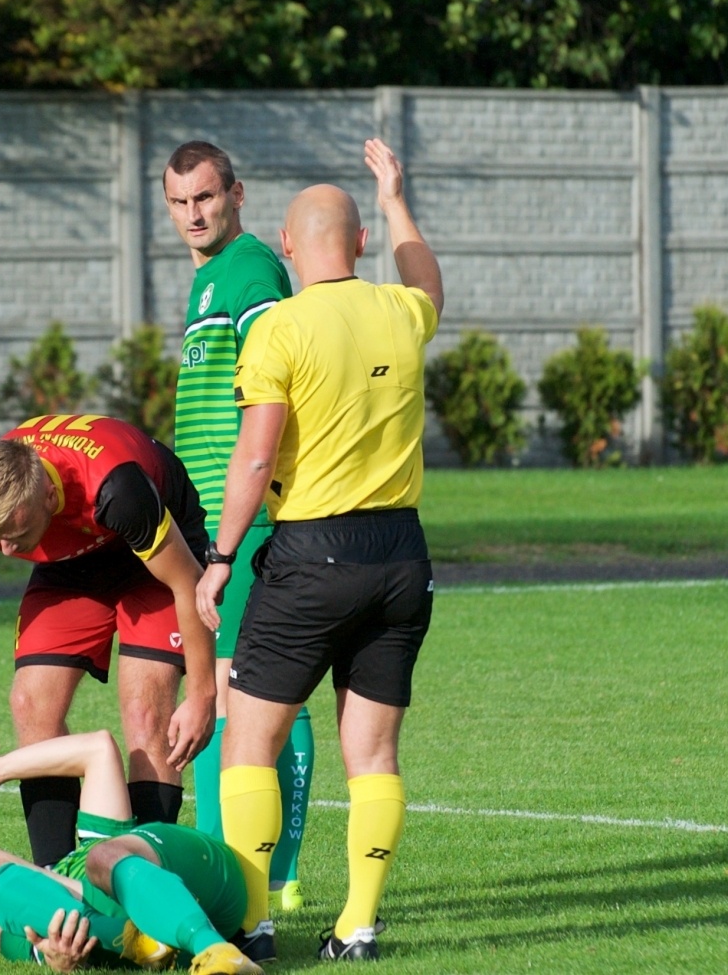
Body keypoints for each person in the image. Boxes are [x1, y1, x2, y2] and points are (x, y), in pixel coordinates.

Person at [196, 139, 443, 962]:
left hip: (313, 552)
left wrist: (223, 552)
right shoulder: (403, 312)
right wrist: (394, 194)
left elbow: (257, 456)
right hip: (402, 552)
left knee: (249, 741)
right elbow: (428, 280)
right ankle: (359, 924)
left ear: (288, 246)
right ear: (362, 243)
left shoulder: (283, 327)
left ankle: (256, 919)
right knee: (371, 751)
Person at [0, 414, 217, 867]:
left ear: (49, 494)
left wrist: (202, 694)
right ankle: (58, 881)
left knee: (145, 710)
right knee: (30, 702)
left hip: (157, 554)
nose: (6, 552)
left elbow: (186, 585)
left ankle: (150, 885)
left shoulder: (118, 490)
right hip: (72, 559)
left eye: (17, 536)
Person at [162, 140, 313, 910]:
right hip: (212, 522)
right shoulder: (209, 281)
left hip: (242, 522)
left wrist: (226, 529)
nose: (194, 214)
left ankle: (248, 871)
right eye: (181, 202)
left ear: (237, 195)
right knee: (262, 690)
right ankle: (274, 873)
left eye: (207, 198)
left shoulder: (250, 270)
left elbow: (272, 392)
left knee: (231, 691)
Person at [0, 730, 262, 975]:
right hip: (204, 891)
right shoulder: (41, 939)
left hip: (183, 884)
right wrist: (62, 961)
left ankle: (140, 940)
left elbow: (98, 748)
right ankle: (211, 949)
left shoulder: (67, 876)